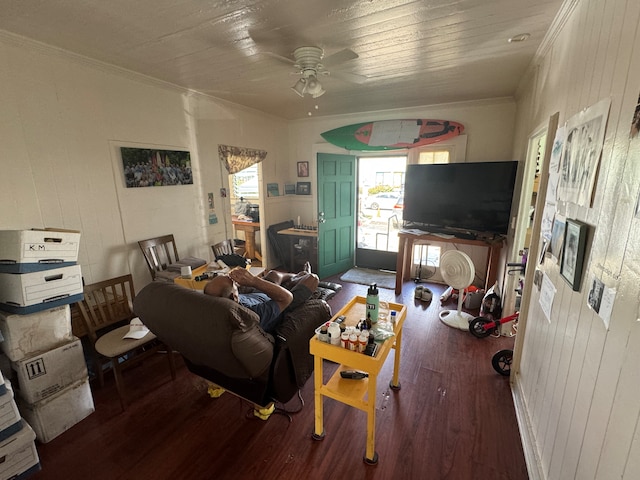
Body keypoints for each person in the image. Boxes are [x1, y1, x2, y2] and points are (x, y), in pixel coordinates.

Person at [204, 262, 319, 334]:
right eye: (233, 283)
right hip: (282, 304)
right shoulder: (251, 315)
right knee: (313, 279)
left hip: (258, 294)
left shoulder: (222, 304)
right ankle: (303, 276)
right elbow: (287, 298)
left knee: (273, 274)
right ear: (234, 296)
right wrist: (253, 281)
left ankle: (297, 277)